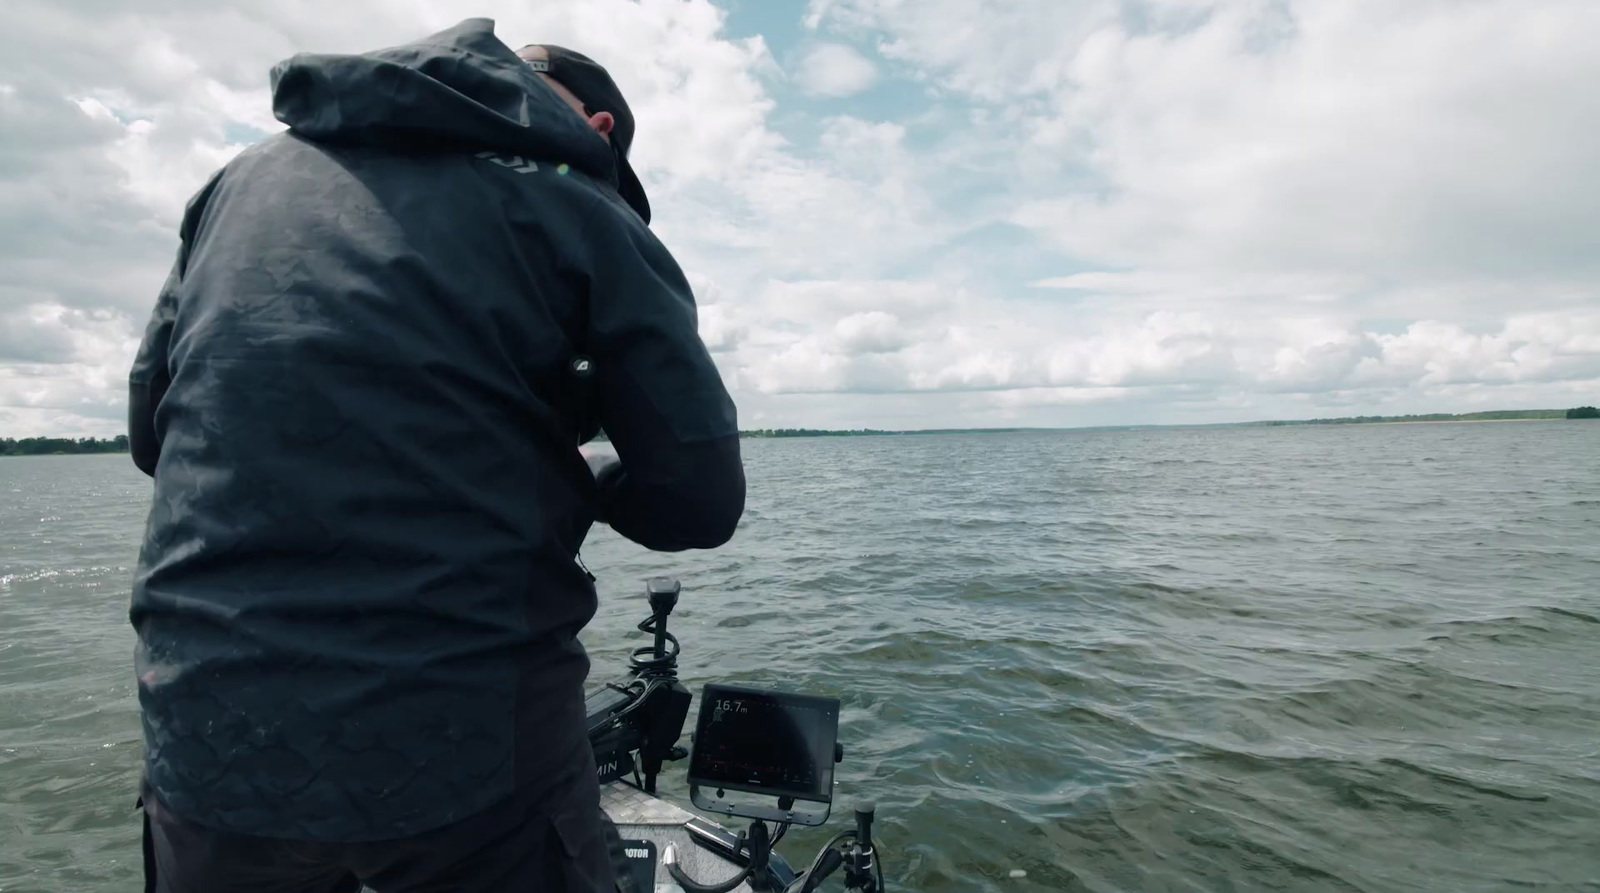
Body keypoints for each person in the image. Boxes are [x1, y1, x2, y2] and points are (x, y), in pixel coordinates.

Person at [125, 17, 745, 893]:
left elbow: (153, 437)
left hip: (205, 732)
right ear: (600, 130)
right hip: (470, 749)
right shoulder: (578, 200)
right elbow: (700, 501)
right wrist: (588, 474)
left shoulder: (236, 184)